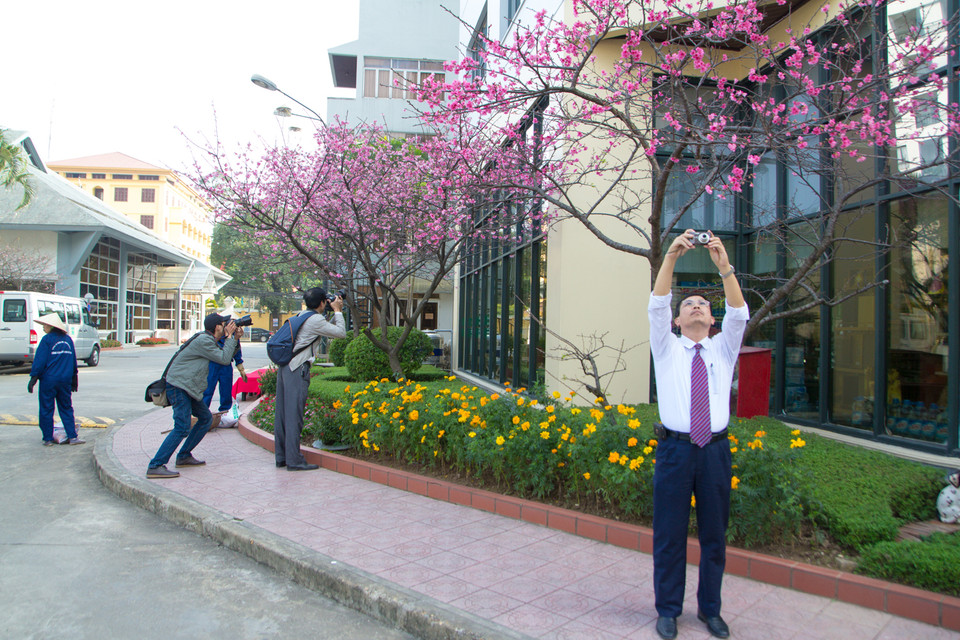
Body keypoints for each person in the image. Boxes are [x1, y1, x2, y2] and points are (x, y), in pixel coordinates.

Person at [648, 230, 748, 640]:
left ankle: (711, 610)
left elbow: (739, 313)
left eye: (702, 305)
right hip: (675, 451)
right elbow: (657, 304)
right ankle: (668, 610)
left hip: (714, 454)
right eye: (687, 304)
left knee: (714, 537)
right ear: (677, 320)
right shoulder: (666, 348)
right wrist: (671, 257)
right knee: (669, 535)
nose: (695, 307)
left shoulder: (723, 348)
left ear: (711, 319)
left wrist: (724, 267)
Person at [145, 313, 242, 479]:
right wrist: (230, 337)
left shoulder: (208, 340)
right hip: (179, 386)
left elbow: (225, 354)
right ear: (217, 327)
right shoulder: (204, 340)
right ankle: (155, 465)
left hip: (188, 387)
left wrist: (235, 338)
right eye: (223, 324)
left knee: (205, 419)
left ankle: (184, 456)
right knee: (182, 427)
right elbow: (224, 359)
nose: (226, 326)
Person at [274, 287, 345, 471]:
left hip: (285, 367)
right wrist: (338, 311)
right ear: (322, 302)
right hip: (297, 369)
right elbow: (341, 333)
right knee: (294, 415)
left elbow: (324, 329)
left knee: (282, 414)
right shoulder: (315, 319)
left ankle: (282, 457)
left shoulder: (302, 315)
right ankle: (294, 460)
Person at [27, 313, 84, 446]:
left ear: (51, 326)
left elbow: (40, 361)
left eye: (45, 325)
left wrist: (33, 378)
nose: (43, 328)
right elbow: (73, 361)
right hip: (65, 380)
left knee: (46, 408)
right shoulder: (68, 340)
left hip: (49, 380)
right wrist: (74, 379)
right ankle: (73, 437)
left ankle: (48, 439)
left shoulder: (47, 340)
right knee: (66, 407)